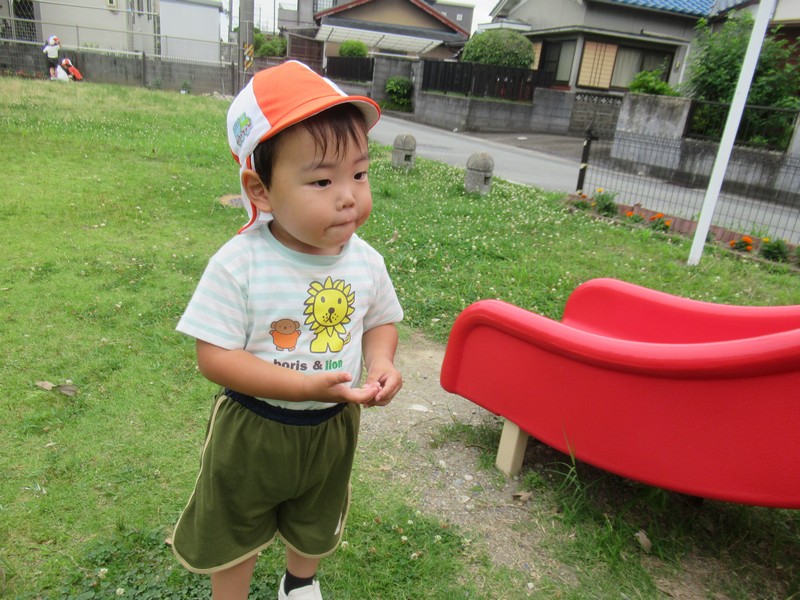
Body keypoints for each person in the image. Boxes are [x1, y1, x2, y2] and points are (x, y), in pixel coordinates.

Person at [170, 60, 404, 600]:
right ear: (261, 190)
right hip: (253, 430)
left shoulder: (365, 261)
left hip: (332, 428)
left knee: (317, 516)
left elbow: (380, 320)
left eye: (359, 174)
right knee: (235, 527)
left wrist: (382, 361)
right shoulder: (239, 264)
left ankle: (299, 582)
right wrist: (299, 385)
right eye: (322, 180)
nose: (348, 195)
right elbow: (214, 356)